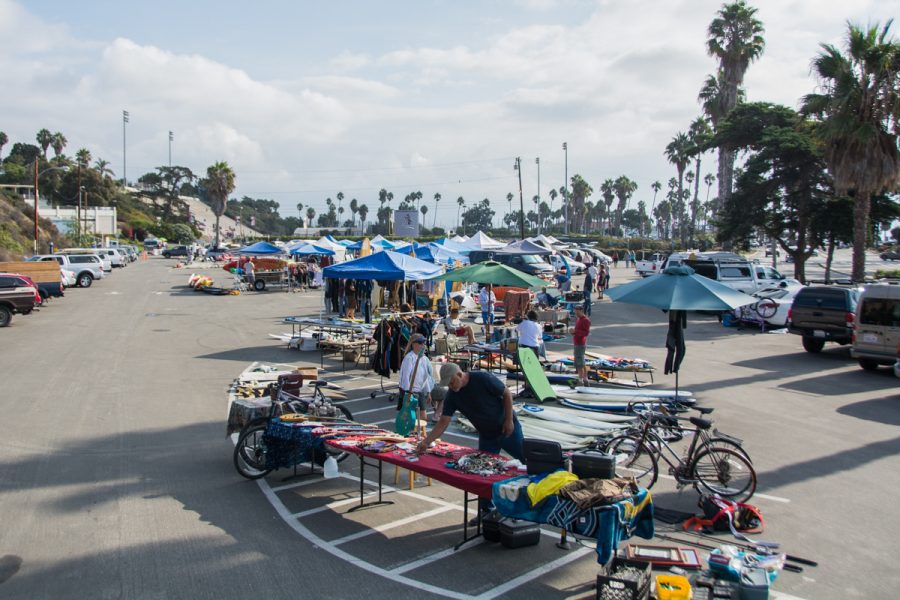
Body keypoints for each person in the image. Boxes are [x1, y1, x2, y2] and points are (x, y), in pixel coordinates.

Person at [417, 363, 523, 514]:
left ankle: (535, 499)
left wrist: (509, 420)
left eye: (452, 382)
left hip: (506, 429)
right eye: (448, 384)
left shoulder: (482, 379)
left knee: (525, 459)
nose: (451, 386)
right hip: (487, 435)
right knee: (482, 472)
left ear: (460, 375)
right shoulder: (453, 396)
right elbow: (443, 422)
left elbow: (506, 393)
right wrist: (426, 442)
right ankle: (486, 511)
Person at [397, 333, 433, 427]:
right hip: (409, 391)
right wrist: (408, 392)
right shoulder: (409, 358)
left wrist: (428, 391)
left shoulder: (424, 358)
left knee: (423, 417)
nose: (423, 345)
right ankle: (407, 432)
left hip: (419, 390)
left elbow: (425, 376)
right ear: (413, 344)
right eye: (420, 343)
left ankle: (416, 433)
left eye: (424, 343)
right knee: (409, 415)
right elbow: (405, 376)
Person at [570, 305, 591, 386]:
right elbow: (579, 331)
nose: (575, 313)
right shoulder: (579, 319)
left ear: (581, 310)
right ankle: (585, 379)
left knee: (579, 363)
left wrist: (575, 331)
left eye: (576, 311)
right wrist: (573, 332)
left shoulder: (585, 320)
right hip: (577, 343)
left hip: (580, 344)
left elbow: (586, 333)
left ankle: (581, 380)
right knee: (582, 362)